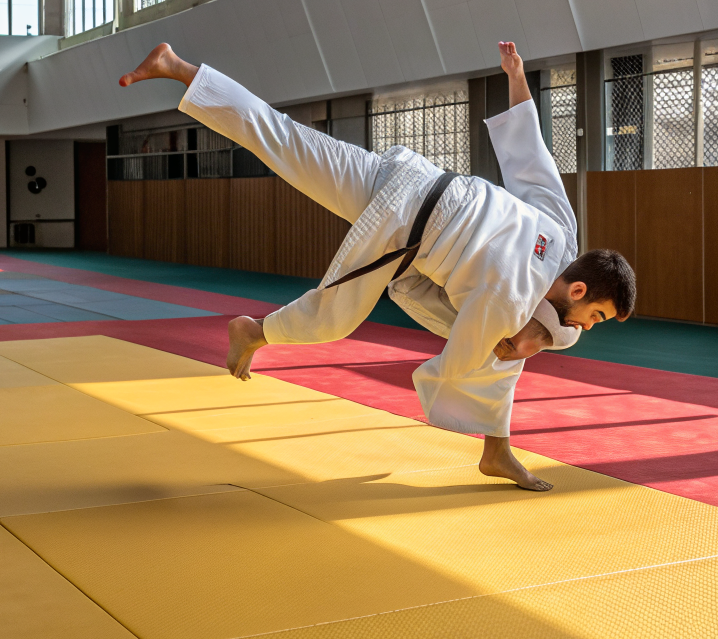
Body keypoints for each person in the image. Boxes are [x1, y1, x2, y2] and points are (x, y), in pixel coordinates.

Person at [119, 41, 635, 491]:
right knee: (337, 319)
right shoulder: (509, 300)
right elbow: (462, 358)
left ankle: (179, 67)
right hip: (401, 226)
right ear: (578, 290)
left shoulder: (562, 233)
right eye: (597, 316)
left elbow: (532, 159)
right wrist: (497, 352)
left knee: (284, 137)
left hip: (407, 175)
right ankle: (256, 331)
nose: (590, 327)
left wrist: (518, 79)